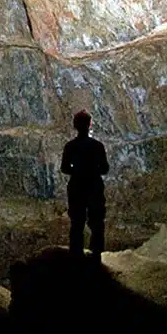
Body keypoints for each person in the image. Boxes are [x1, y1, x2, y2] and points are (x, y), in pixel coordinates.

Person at [61, 109, 108, 262]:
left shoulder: (70, 146)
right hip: (94, 185)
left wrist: (78, 170)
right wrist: (92, 169)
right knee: (97, 222)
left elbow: (65, 168)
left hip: (77, 186)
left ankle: (76, 255)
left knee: (77, 222)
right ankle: (96, 255)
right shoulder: (97, 146)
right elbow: (105, 168)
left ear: (75, 125)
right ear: (90, 125)